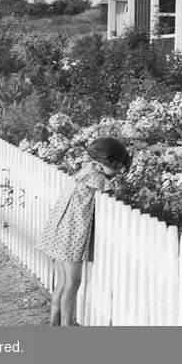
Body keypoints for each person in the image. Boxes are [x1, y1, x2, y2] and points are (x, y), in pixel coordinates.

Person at [38, 136, 131, 326]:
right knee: (73, 283)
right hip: (70, 234)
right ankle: (66, 324)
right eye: (117, 166)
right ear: (106, 162)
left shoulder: (87, 170)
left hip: (61, 230)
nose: (118, 172)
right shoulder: (96, 177)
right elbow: (111, 193)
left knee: (63, 282)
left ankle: (54, 323)